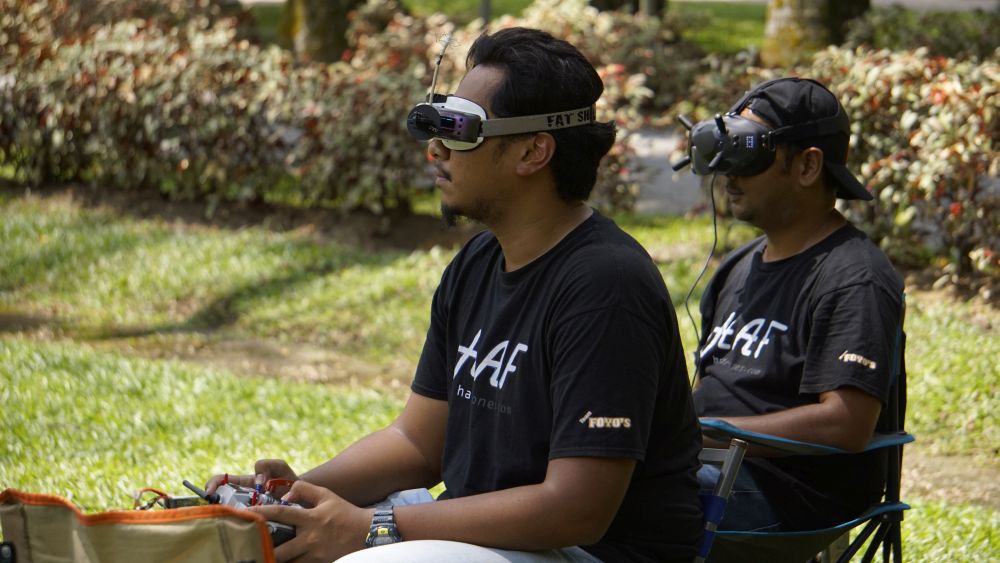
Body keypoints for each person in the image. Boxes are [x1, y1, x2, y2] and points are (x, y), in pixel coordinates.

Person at [206, 27, 703, 563]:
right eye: (434, 123)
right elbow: (420, 444)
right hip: (491, 535)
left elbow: (576, 509)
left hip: (590, 551)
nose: (434, 149)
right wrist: (294, 498)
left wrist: (372, 528)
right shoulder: (478, 262)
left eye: (460, 129)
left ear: (534, 151)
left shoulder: (606, 286)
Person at [691, 77, 905, 538]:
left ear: (808, 166)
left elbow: (846, 423)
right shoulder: (737, 267)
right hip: (706, 466)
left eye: (749, 153)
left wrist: (707, 433)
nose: (729, 172)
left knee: (616, 499)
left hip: (793, 494)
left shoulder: (854, 276)